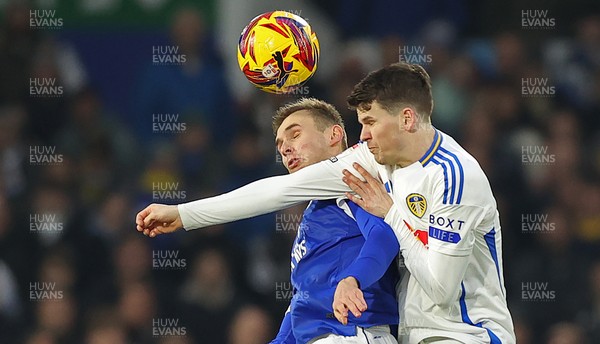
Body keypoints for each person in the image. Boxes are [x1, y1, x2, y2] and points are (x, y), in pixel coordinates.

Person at [136, 63, 516, 343]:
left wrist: (390, 214)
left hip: (468, 333)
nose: (362, 134)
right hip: (413, 334)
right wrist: (184, 214)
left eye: (369, 122)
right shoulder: (369, 160)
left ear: (406, 119)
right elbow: (276, 191)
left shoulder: (455, 178)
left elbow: (442, 289)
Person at [138, 98, 400, 344]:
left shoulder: (353, 179)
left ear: (334, 135)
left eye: (295, 135)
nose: (285, 148)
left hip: (353, 333)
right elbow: (302, 301)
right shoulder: (314, 212)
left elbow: (384, 237)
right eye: (279, 144)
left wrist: (353, 279)